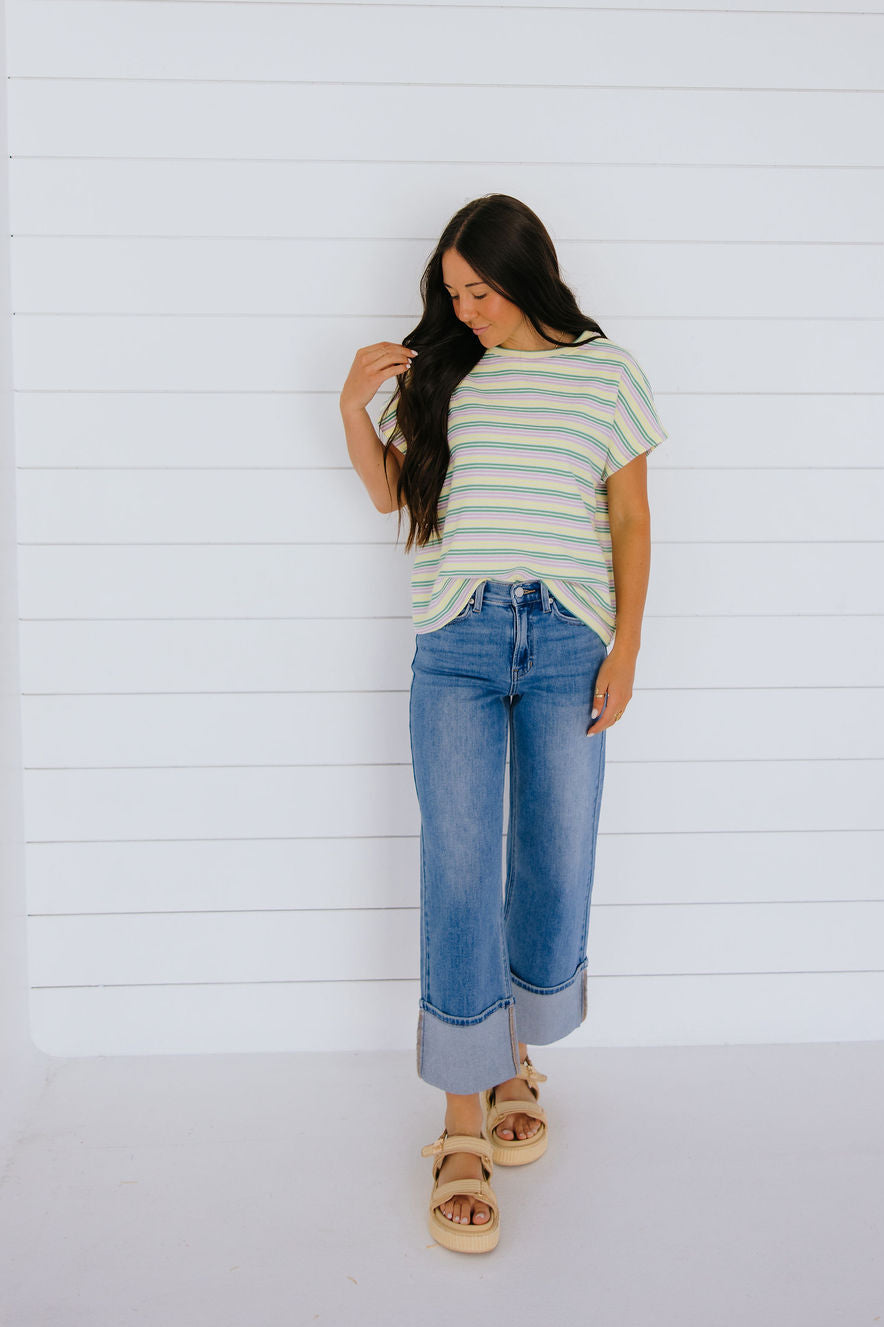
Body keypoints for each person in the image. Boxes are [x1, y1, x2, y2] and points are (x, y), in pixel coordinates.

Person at [339, 193, 668, 1252]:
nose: (465, 310)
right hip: (458, 640)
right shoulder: (443, 372)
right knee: (460, 863)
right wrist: (352, 409)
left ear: (527, 275)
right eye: (452, 294)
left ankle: (516, 1049)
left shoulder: (606, 374)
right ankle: (462, 1115)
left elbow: (630, 515)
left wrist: (626, 646)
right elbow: (394, 496)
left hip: (570, 640)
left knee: (555, 855)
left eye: (480, 291)